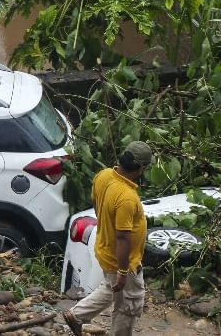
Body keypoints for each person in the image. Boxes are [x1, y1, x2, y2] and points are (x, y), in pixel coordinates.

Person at [63, 141, 156, 336]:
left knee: (111, 288)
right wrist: (123, 270)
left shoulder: (104, 175)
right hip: (121, 259)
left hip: (104, 247)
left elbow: (97, 204)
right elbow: (123, 237)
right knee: (128, 304)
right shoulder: (127, 197)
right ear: (140, 168)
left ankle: (76, 315)